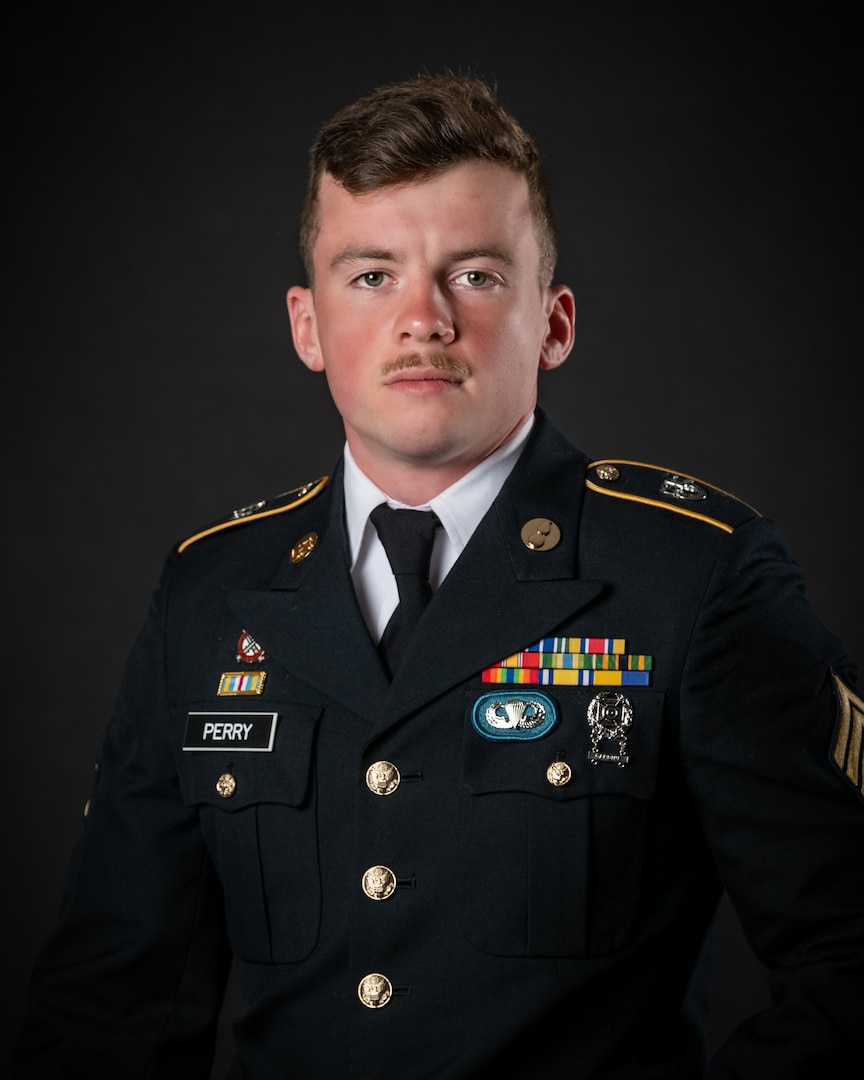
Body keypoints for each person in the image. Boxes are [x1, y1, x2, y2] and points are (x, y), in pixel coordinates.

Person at [15, 72, 863, 1079]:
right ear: (307, 324)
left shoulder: (691, 578)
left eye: (475, 275)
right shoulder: (210, 591)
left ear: (553, 322)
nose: (423, 320)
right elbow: (109, 1008)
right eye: (372, 276)